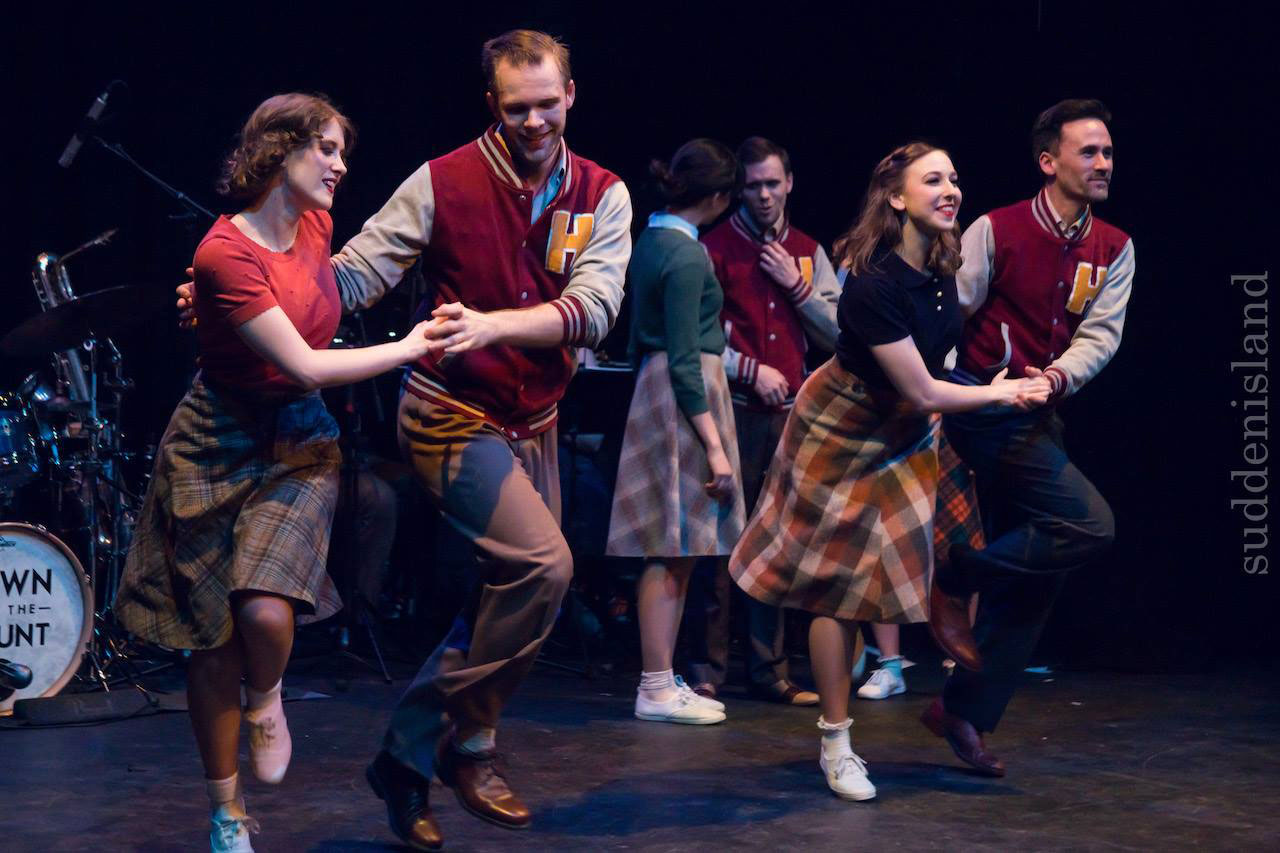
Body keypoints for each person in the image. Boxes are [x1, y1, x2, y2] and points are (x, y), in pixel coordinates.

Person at [116, 94, 435, 853]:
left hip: (297, 441)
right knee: (212, 639)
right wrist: (412, 347)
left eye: (341, 150)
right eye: (326, 148)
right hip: (215, 440)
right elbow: (306, 364)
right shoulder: (223, 253)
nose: (340, 164)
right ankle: (227, 813)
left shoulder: (315, 227)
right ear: (278, 150)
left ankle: (267, 696)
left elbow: (321, 298)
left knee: (264, 612)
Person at [729, 142, 1049, 802]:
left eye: (954, 177)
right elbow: (923, 389)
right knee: (836, 588)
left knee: (921, 555)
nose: (950, 188)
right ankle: (836, 742)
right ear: (897, 198)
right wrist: (1002, 395)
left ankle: (928, 637)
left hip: (903, 426)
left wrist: (988, 382)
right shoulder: (873, 284)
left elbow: (936, 370)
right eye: (933, 179)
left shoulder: (941, 267)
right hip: (842, 428)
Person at [922, 99, 1134, 777]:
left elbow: (1100, 335)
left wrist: (1059, 377)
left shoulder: (1114, 247)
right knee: (1089, 524)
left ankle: (961, 710)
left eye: (1107, 152)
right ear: (1049, 161)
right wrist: (946, 387)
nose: (1103, 163)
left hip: (1039, 410)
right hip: (982, 405)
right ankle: (955, 573)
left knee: (1041, 571)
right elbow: (953, 308)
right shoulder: (998, 229)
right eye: (1088, 152)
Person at [687, 136, 839, 707]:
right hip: (730, 412)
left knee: (775, 544)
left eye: (773, 183)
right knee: (718, 544)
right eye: (754, 186)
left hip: (788, 418)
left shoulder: (807, 251)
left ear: (790, 183)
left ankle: (768, 670)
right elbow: (697, 335)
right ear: (739, 190)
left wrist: (796, 286)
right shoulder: (713, 248)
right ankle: (706, 670)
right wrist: (749, 369)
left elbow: (841, 333)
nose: (765, 195)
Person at [606, 139, 745, 726]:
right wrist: (716, 448)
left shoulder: (652, 240)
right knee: (671, 547)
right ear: (717, 198)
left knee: (677, 548)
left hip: (660, 389)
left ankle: (662, 681)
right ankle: (656, 685)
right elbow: (687, 361)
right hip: (683, 397)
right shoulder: (686, 256)